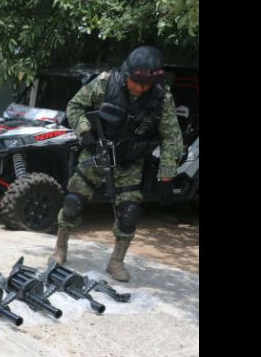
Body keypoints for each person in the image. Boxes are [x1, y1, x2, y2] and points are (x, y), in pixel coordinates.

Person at [48, 46, 184, 282]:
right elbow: (74, 106)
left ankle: (116, 261)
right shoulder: (106, 83)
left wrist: (167, 176)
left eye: (145, 85)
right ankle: (60, 248)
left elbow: (172, 137)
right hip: (97, 153)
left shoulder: (161, 98)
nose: (140, 89)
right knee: (73, 203)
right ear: (127, 73)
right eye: (136, 83)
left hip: (129, 162)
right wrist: (84, 131)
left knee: (130, 214)